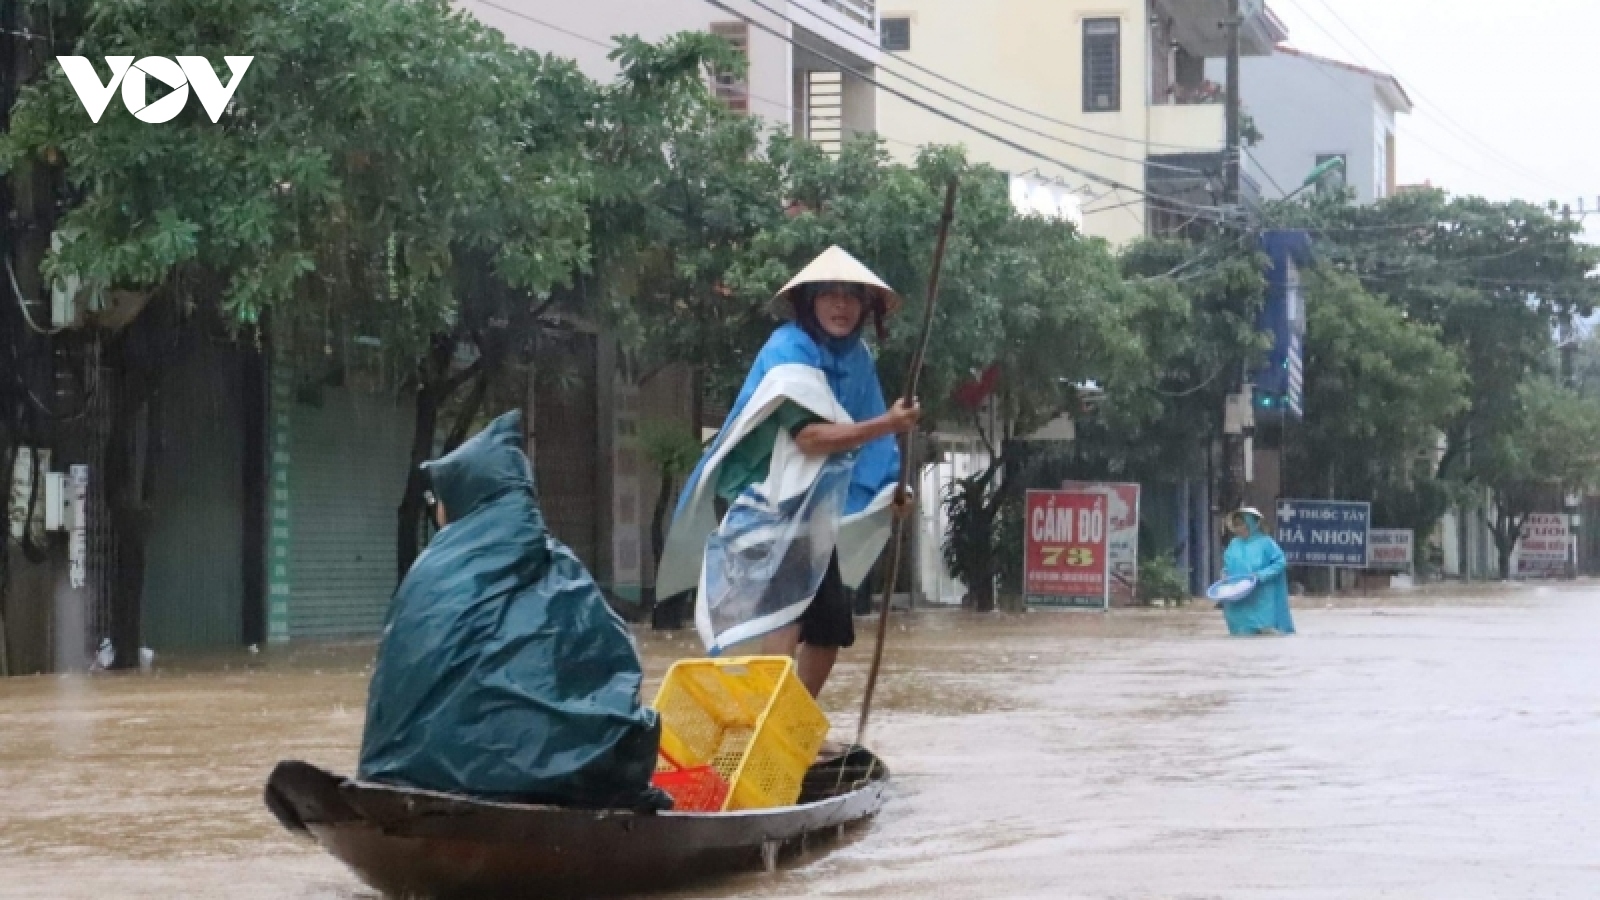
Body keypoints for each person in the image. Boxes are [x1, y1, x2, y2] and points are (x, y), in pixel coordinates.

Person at [358, 410, 667, 810]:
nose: (437, 511)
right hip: (527, 783)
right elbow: (611, 665)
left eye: (439, 499)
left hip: (398, 772)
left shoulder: (425, 571)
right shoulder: (559, 570)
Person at [657, 246, 919, 697]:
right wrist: (889, 423)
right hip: (767, 502)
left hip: (812, 511)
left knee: (829, 627)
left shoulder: (857, 360)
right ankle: (764, 721)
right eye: (829, 295)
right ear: (809, 303)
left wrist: (891, 490)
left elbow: (873, 443)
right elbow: (811, 438)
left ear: (865, 307)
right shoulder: (788, 350)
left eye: (852, 297)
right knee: (783, 614)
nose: (841, 306)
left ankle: (789, 721)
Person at [1220, 507, 1295, 636]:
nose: (1238, 528)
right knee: (1240, 633)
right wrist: (1224, 574)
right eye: (1236, 525)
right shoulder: (1234, 544)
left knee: (1264, 630)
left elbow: (1280, 562)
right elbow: (1228, 565)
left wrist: (1260, 575)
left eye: (1241, 524)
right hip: (1237, 596)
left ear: (1252, 524)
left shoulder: (1266, 543)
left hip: (1261, 596)